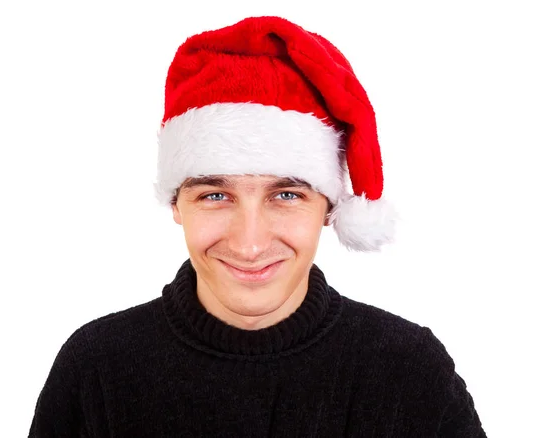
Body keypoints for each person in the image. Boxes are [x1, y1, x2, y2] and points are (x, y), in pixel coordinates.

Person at [28, 16, 486, 437]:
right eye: (215, 195)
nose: (249, 244)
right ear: (176, 205)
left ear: (328, 207)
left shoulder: (408, 370)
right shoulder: (97, 367)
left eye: (286, 195)